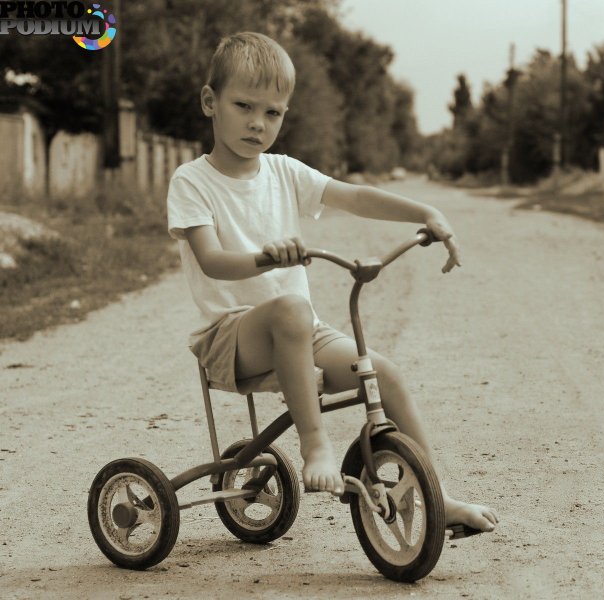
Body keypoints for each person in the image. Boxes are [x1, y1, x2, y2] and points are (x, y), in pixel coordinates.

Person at [167, 32, 498, 533]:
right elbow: (212, 260)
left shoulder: (283, 172)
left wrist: (426, 211)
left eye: (273, 113)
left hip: (299, 329)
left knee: (380, 372)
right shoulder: (192, 181)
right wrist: (264, 259)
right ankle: (314, 444)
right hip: (230, 338)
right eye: (244, 106)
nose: (258, 123)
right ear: (210, 102)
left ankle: (439, 497)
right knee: (290, 309)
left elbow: (356, 197)